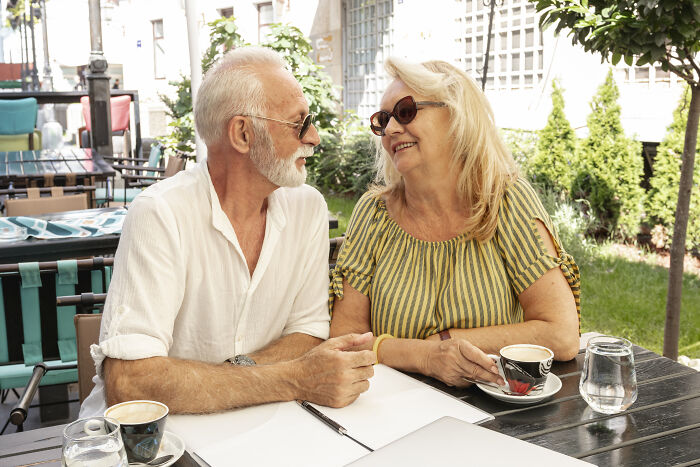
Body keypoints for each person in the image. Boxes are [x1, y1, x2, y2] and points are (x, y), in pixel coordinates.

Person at [80, 47, 375, 416]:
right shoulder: (161, 213)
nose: (314, 137)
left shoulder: (308, 208)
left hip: (256, 427)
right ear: (243, 134)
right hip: (151, 444)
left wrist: (223, 381)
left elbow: (308, 335)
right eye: (299, 122)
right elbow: (130, 383)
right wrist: (291, 379)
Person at [329, 57, 580, 388]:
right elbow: (345, 342)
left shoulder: (504, 200)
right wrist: (425, 356)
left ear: (456, 115)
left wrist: (447, 340)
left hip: (495, 414)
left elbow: (561, 335)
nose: (390, 129)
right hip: (390, 412)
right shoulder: (373, 213)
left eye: (405, 112)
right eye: (383, 119)